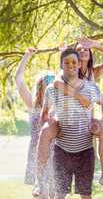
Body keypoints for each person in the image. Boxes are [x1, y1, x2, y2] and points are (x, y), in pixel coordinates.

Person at [37, 37, 103, 196]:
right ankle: (40, 180)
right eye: (79, 49)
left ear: (87, 57)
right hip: (64, 119)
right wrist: (80, 97)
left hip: (86, 123)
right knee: (48, 132)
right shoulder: (65, 72)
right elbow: (56, 84)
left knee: (102, 133)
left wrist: (96, 44)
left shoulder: (93, 73)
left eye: (86, 49)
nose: (82, 51)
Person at [15, 47, 56, 199]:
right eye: (48, 82)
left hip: (56, 156)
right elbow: (18, 79)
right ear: (41, 87)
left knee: (56, 195)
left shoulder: (59, 107)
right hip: (37, 156)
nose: (52, 86)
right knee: (42, 196)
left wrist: (65, 53)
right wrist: (26, 56)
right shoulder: (33, 106)